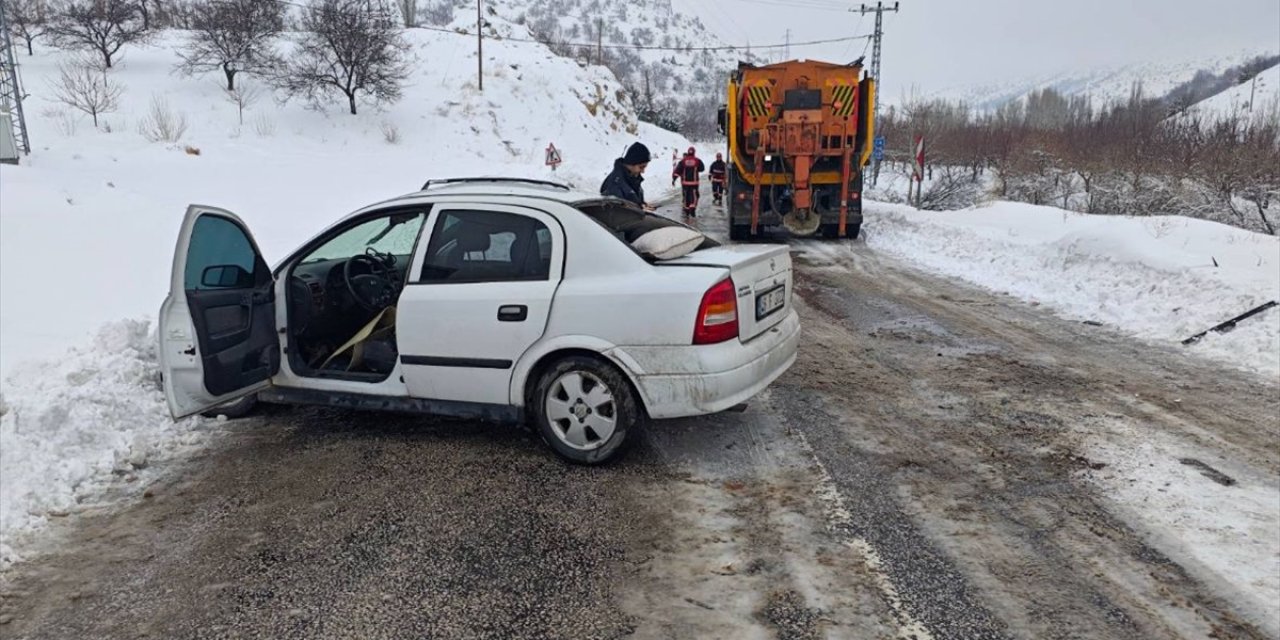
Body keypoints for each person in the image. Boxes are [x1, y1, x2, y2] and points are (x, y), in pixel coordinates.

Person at [600, 142, 654, 211]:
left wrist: (641, 204)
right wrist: (640, 210)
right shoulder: (615, 185)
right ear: (632, 163)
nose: (643, 171)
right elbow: (617, 214)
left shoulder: (632, 178)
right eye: (641, 167)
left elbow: (632, 201)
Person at [673, 147, 705, 217]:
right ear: (694, 152)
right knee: (695, 195)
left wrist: (674, 179)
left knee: (686, 196)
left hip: (685, 183)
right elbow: (702, 169)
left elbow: (677, 170)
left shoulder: (683, 161)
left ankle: (687, 210)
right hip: (694, 183)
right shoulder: (697, 160)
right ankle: (692, 207)